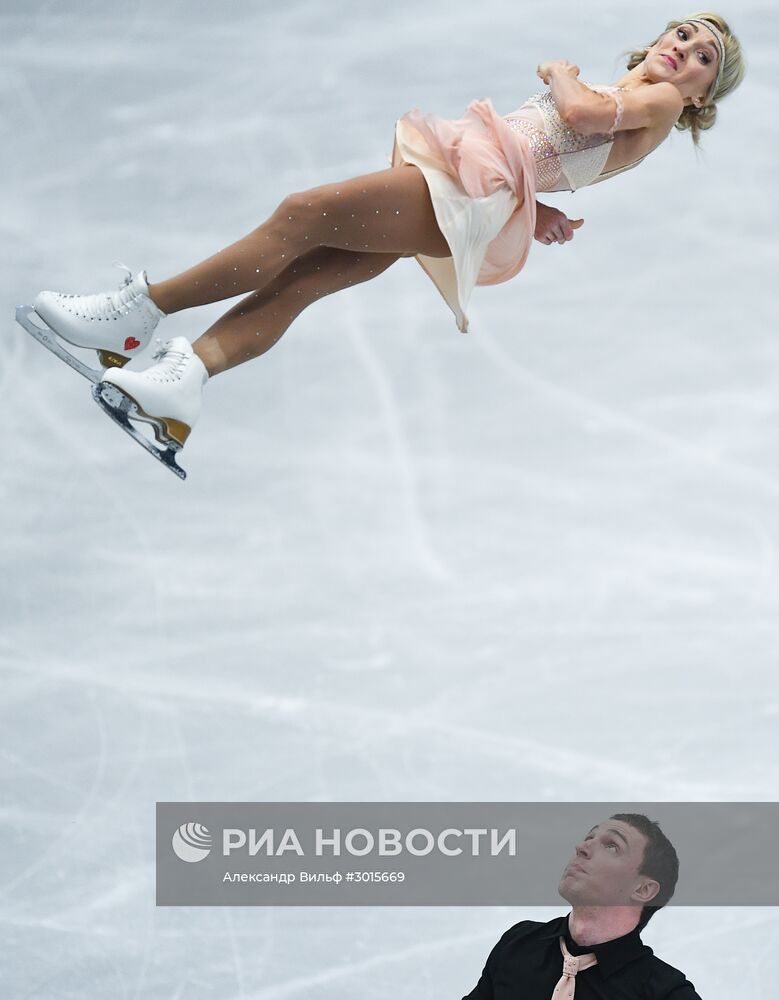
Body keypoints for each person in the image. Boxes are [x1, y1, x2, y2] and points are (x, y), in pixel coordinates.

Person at [28, 13, 745, 459]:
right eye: (684, 33)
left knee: (300, 215)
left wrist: (561, 74)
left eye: (704, 57)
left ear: (700, 98)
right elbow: (560, 158)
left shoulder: (653, 100)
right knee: (305, 274)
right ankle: (182, 384)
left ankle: (137, 315)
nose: (685, 49)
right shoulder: (634, 101)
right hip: (474, 187)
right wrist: (542, 212)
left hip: (463, 188)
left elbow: (576, 118)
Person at [462, 814, 701, 999]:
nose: (582, 847)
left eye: (612, 846)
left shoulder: (665, 993)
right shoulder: (518, 945)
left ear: (643, 889)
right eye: (589, 838)